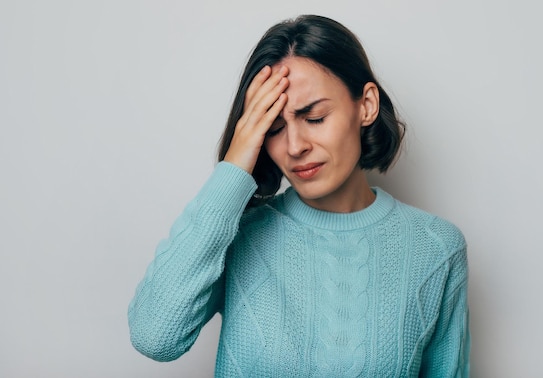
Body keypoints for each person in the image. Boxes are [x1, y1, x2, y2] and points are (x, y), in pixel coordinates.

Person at [128, 14, 470, 377]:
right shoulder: (235, 235)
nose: (294, 146)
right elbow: (154, 336)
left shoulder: (435, 249)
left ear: (366, 105)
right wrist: (233, 168)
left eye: (315, 117)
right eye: (273, 128)